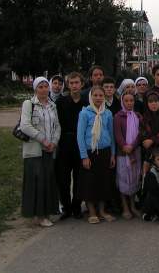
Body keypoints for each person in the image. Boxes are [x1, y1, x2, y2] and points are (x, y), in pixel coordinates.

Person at [20, 77, 61, 227]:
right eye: (40, 87)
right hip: (35, 150)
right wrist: (43, 140)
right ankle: (38, 215)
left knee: (48, 182)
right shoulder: (29, 104)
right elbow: (25, 126)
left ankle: (47, 212)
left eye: (45, 86)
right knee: (36, 182)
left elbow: (57, 126)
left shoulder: (52, 105)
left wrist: (54, 142)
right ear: (35, 89)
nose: (44, 89)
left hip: (50, 150)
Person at [77, 85, 116, 224]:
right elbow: (80, 136)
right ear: (90, 97)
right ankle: (92, 212)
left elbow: (111, 134)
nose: (98, 98)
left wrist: (113, 154)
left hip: (105, 152)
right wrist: (84, 156)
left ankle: (102, 211)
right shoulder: (85, 113)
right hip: (90, 153)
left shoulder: (108, 113)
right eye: (96, 95)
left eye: (101, 96)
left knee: (103, 182)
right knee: (90, 183)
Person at [55, 72, 87, 220]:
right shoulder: (61, 102)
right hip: (64, 143)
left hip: (81, 144)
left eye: (77, 83)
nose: (74, 85)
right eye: (71, 83)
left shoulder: (86, 102)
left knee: (80, 178)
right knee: (64, 178)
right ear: (68, 85)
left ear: (82, 84)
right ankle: (66, 208)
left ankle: (76, 207)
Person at [113, 92, 143, 220]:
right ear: (122, 102)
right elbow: (117, 134)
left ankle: (132, 205)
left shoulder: (138, 116)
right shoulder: (118, 116)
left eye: (131, 100)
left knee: (134, 178)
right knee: (123, 179)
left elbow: (140, 134)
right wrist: (125, 146)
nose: (129, 103)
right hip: (122, 153)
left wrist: (133, 146)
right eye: (126, 101)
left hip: (135, 151)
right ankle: (125, 206)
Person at [141, 91, 159, 165]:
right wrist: (146, 140)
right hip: (148, 151)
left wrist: (152, 140)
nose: (153, 104)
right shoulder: (144, 118)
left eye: (156, 101)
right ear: (147, 104)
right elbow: (143, 133)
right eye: (150, 102)